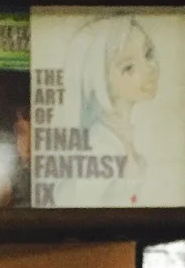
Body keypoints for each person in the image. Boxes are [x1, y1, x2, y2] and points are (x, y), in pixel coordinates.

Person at [55, 14, 160, 206]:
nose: (150, 68)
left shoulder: (122, 139)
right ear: (100, 81)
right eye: (129, 68)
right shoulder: (100, 149)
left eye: (148, 54)